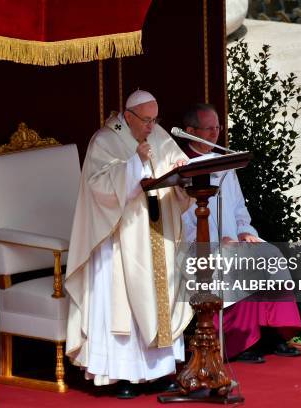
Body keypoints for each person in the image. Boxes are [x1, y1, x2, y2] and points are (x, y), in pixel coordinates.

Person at [65, 90, 194, 398]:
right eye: (147, 120)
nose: (152, 127)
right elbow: (100, 187)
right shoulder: (105, 141)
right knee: (123, 303)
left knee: (159, 296)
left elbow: (176, 162)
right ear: (130, 116)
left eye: (155, 119)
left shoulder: (158, 134)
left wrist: (182, 170)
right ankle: (122, 374)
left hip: (156, 232)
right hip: (120, 238)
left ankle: (160, 371)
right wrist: (134, 165)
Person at [180, 103, 301, 363]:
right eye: (208, 129)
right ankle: (241, 342)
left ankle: (274, 334)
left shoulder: (225, 162)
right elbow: (181, 218)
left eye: (217, 128)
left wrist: (244, 231)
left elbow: (238, 207)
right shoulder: (179, 167)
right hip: (200, 247)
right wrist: (217, 242)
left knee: (270, 254)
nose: (215, 134)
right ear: (190, 131)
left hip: (234, 239)